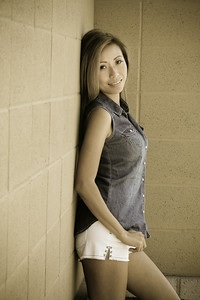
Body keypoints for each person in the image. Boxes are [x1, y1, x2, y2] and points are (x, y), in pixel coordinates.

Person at [74, 29, 180, 300]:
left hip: (118, 232)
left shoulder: (122, 112)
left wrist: (128, 231)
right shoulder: (101, 114)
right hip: (105, 233)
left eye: (118, 61)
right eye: (102, 67)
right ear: (90, 73)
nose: (114, 74)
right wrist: (122, 233)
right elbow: (84, 183)